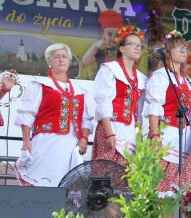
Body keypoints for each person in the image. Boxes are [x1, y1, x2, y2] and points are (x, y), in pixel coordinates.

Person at [15, 44, 94, 186]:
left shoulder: (79, 91)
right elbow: (27, 114)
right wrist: (26, 141)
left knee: (64, 182)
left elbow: (85, 119)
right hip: (46, 140)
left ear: (69, 62)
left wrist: (84, 138)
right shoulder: (41, 85)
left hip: (70, 143)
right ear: (49, 62)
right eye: (57, 57)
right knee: (42, 179)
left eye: (64, 56)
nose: (61, 59)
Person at [143, 31, 191, 197]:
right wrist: (155, 135)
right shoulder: (160, 77)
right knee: (159, 189)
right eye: (178, 48)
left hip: (183, 139)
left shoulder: (189, 82)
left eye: (184, 48)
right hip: (165, 136)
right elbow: (154, 107)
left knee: (177, 192)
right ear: (167, 52)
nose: (183, 51)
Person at [92, 25, 147, 166]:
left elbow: (139, 110)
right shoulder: (110, 69)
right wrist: (109, 133)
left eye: (139, 46)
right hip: (112, 127)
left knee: (127, 174)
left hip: (131, 133)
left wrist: (139, 136)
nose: (137, 48)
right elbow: (104, 102)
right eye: (132, 44)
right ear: (122, 49)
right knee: (108, 171)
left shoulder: (141, 78)